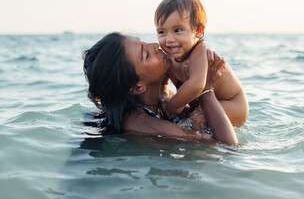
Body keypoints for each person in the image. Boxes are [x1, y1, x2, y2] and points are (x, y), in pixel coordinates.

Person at [83, 32, 238, 145]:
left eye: (144, 42)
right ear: (137, 87)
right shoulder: (148, 126)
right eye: (146, 55)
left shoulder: (157, 100)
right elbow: (228, 146)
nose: (155, 46)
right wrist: (206, 90)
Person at [154, 0, 249, 127]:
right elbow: (163, 83)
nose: (169, 40)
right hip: (202, 105)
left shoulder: (201, 51)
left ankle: (214, 145)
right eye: (162, 32)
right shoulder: (168, 56)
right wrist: (163, 97)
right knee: (183, 117)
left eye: (178, 30)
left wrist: (171, 106)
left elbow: (196, 84)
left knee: (197, 120)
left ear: (198, 31)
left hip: (233, 104)